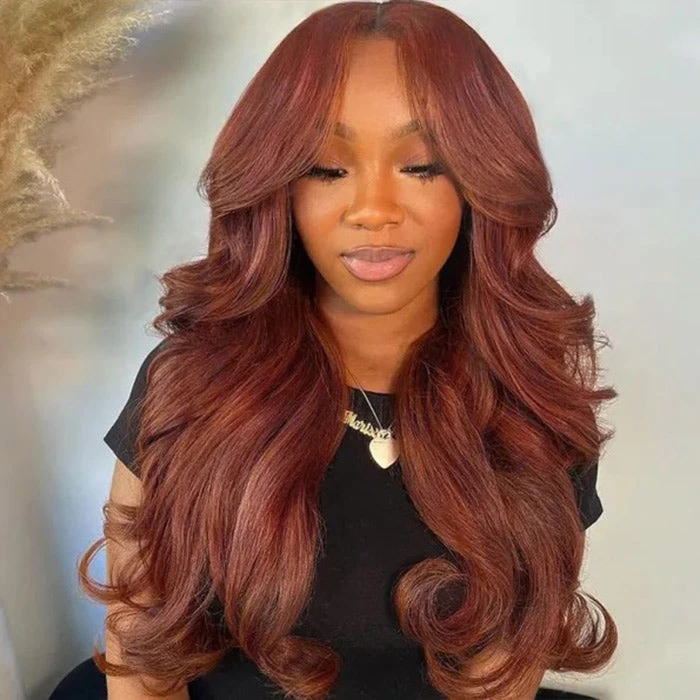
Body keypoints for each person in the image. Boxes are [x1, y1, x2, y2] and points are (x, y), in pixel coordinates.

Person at [63, 1, 618, 698]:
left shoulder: (532, 407)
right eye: (328, 169)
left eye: (422, 166)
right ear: (279, 187)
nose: (373, 209)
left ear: (482, 183)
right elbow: (143, 661)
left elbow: (503, 677)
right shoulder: (191, 385)